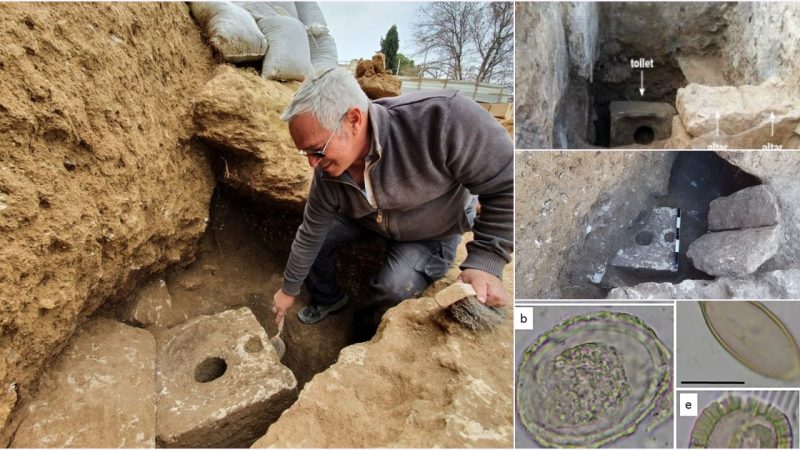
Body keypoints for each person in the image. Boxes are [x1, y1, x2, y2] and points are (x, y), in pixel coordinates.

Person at [271, 68, 512, 339]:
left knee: (393, 288)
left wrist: (486, 260)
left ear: (353, 120)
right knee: (318, 242)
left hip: (431, 232)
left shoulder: (444, 119)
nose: (312, 163)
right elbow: (310, 233)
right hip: (367, 219)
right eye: (306, 153)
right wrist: (288, 290)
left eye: (317, 150)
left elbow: (509, 183)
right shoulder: (328, 173)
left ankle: (362, 338)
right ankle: (329, 298)